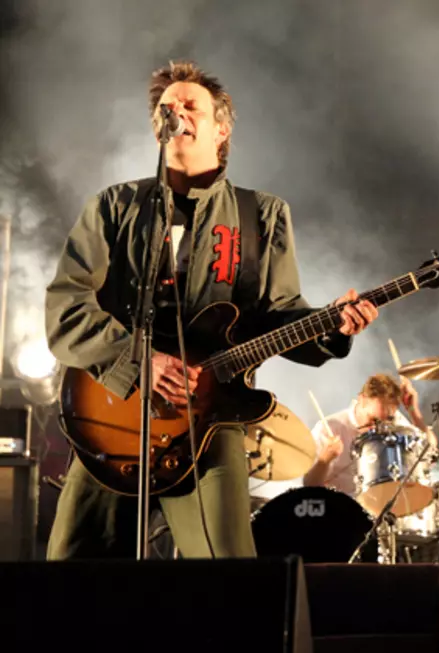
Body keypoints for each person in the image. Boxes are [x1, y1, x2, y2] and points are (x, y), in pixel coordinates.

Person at [44, 60, 379, 559]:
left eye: (189, 105)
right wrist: (139, 362)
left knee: (229, 582)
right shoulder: (114, 207)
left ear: (221, 127)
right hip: (112, 418)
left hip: (210, 425)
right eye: (165, 108)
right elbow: (66, 305)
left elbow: (279, 313)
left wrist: (331, 327)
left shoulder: (262, 216)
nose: (175, 113)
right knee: (71, 576)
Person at [303, 373, 437, 496]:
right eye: (373, 420)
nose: (379, 428)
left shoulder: (392, 420)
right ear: (362, 400)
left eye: (387, 420)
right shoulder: (329, 428)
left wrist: (413, 411)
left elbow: (429, 449)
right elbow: (309, 484)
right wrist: (324, 460)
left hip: (381, 508)